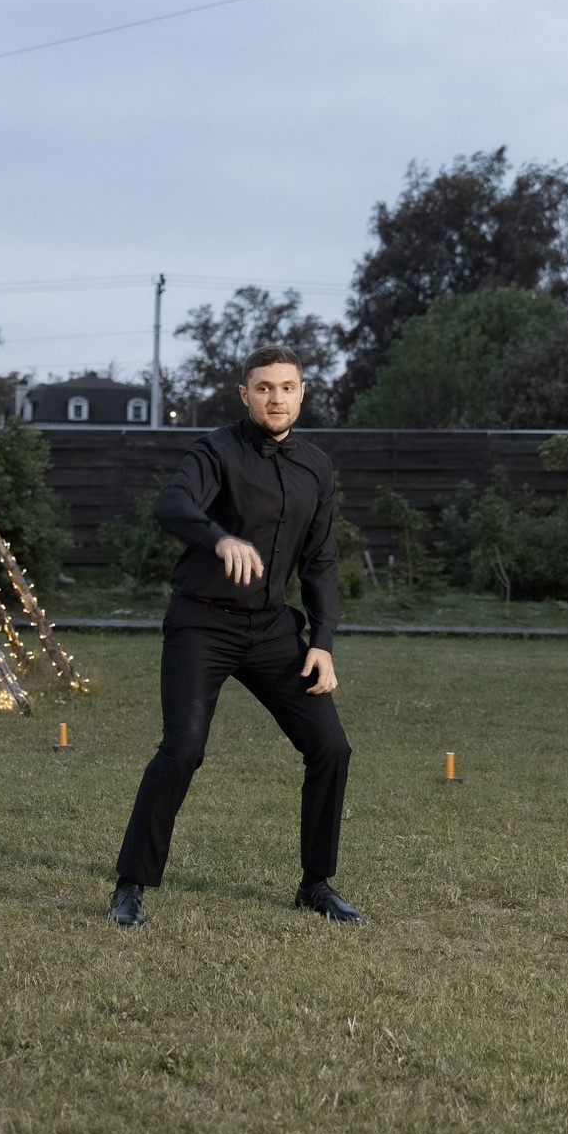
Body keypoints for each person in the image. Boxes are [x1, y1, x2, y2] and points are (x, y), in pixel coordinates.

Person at [109, 345, 365, 927]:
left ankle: (316, 884)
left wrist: (322, 642)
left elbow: (320, 561)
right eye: (264, 387)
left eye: (288, 387)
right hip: (202, 623)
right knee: (183, 750)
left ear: (302, 392)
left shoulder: (317, 467)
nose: (277, 398)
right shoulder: (216, 451)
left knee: (331, 747)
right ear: (245, 394)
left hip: (273, 630)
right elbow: (171, 503)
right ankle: (131, 885)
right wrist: (218, 538)